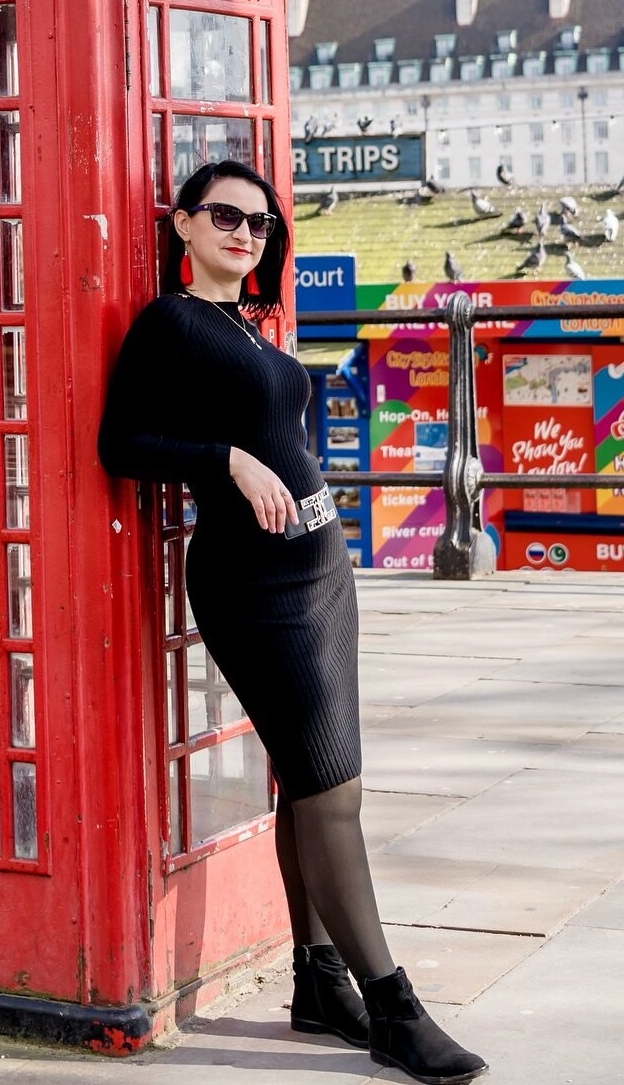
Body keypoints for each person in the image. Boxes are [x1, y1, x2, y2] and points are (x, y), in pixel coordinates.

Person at [98, 160, 487, 1085]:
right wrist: (225, 459)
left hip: (322, 575)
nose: (245, 233)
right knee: (332, 791)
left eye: (262, 224)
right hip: (252, 586)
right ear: (183, 225)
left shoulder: (249, 323)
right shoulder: (171, 322)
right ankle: (391, 1005)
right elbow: (120, 442)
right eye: (226, 216)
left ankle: (318, 981)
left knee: (310, 783)